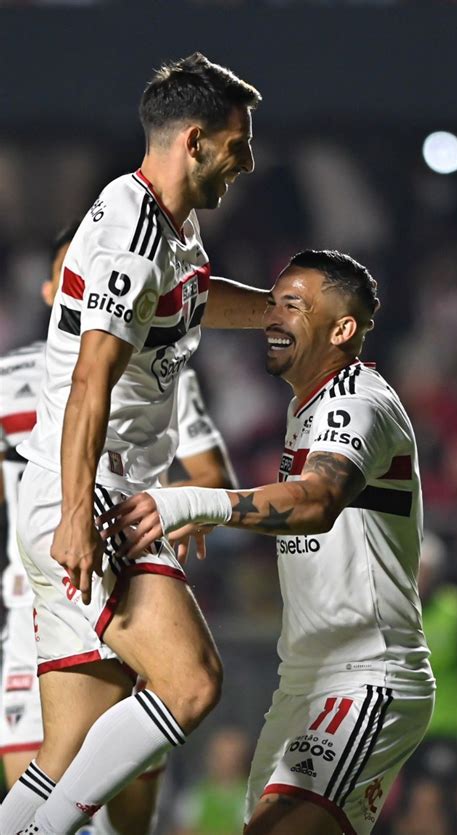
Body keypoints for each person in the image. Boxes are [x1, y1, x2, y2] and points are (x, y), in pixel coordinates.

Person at [0, 52, 264, 834]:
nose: (245, 164)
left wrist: (290, 312)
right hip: (87, 496)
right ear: (194, 140)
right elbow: (90, 382)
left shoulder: (170, 233)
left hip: (88, 495)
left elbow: (196, 300)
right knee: (190, 683)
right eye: (237, 146)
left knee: (69, 748)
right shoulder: (130, 234)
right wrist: (77, 516)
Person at [102, 250, 436, 835]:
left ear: (342, 329)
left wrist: (192, 501)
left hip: (365, 677)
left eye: (293, 306)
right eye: (272, 302)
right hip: (305, 682)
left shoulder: (356, 399)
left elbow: (317, 501)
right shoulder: (305, 407)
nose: (272, 317)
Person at [0, 226, 237, 835]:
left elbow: (210, 475)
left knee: (109, 800)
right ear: (58, 291)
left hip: (110, 559)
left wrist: (168, 506)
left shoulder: (161, 366)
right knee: (185, 687)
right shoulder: (9, 381)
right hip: (46, 590)